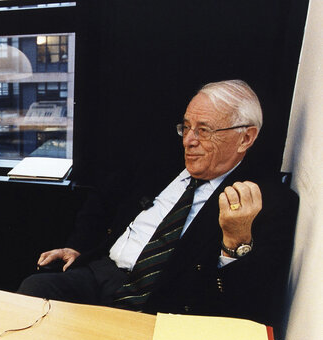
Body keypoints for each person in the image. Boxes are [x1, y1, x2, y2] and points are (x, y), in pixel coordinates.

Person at [17, 80, 298, 327]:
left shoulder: (265, 201)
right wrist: (78, 245)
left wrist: (236, 242)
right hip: (103, 272)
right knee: (35, 290)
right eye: (186, 127)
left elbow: (248, 307)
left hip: (162, 298)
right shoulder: (159, 163)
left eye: (204, 130)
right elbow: (102, 200)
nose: (189, 141)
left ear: (245, 137)